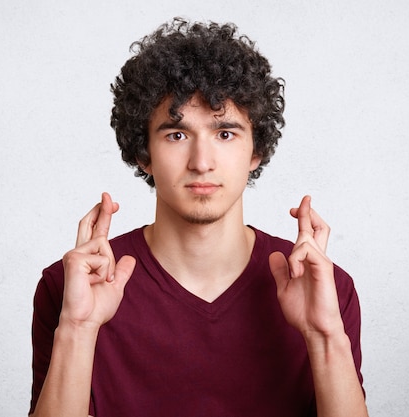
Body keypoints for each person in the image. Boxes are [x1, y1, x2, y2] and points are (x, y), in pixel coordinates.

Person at [29, 18, 368, 417]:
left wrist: (325, 335)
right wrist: (78, 329)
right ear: (144, 154)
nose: (202, 163)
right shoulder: (70, 287)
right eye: (176, 134)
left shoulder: (324, 288)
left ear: (255, 151)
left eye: (225, 133)